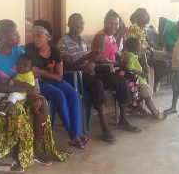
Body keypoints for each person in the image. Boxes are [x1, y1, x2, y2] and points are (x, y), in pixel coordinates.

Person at [0, 19, 70, 173]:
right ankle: (17, 157)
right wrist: (24, 91)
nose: (19, 37)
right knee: (17, 111)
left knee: (42, 103)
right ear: (3, 36)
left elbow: (28, 74)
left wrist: (33, 97)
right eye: (15, 34)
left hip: (23, 94)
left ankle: (35, 150)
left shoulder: (19, 51)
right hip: (3, 97)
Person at [57, 13, 142, 143]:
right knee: (97, 84)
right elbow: (68, 65)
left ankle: (123, 119)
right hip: (76, 76)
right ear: (68, 24)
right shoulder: (62, 43)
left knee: (119, 80)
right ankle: (104, 127)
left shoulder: (84, 42)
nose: (79, 26)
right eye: (75, 23)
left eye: (81, 23)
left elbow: (92, 60)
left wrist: (91, 63)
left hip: (90, 71)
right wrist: (87, 59)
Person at [25, 20, 89, 149]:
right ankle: (74, 136)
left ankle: (75, 135)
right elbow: (31, 73)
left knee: (73, 94)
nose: (35, 39)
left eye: (39, 36)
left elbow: (59, 77)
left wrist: (40, 70)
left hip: (53, 81)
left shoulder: (54, 51)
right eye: (33, 36)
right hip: (40, 85)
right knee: (60, 95)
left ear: (48, 37)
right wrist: (46, 73)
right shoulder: (30, 49)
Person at [124, 38, 167, 119]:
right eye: (139, 47)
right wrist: (141, 73)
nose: (141, 49)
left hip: (141, 80)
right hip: (139, 81)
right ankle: (154, 113)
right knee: (148, 98)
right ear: (136, 48)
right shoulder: (131, 57)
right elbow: (130, 69)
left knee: (148, 97)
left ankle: (153, 111)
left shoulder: (133, 55)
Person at [127, 8, 169, 91]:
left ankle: (153, 83)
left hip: (148, 52)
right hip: (140, 56)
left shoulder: (143, 28)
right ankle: (150, 84)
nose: (149, 17)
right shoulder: (134, 28)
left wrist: (154, 47)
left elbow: (147, 41)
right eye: (146, 15)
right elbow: (132, 45)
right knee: (164, 63)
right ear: (140, 16)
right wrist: (147, 52)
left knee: (168, 58)